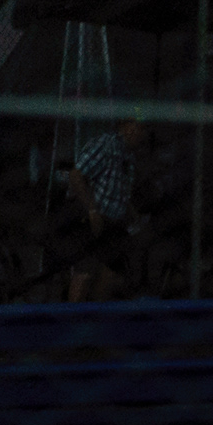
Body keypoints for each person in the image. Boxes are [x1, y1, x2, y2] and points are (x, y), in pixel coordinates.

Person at [65, 119, 148, 301]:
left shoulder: (129, 157)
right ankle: (73, 315)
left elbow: (120, 193)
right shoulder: (106, 145)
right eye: (139, 128)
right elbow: (76, 175)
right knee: (85, 273)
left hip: (113, 223)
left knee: (109, 275)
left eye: (144, 129)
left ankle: (94, 315)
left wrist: (134, 218)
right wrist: (92, 210)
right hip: (91, 219)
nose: (142, 134)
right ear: (126, 127)